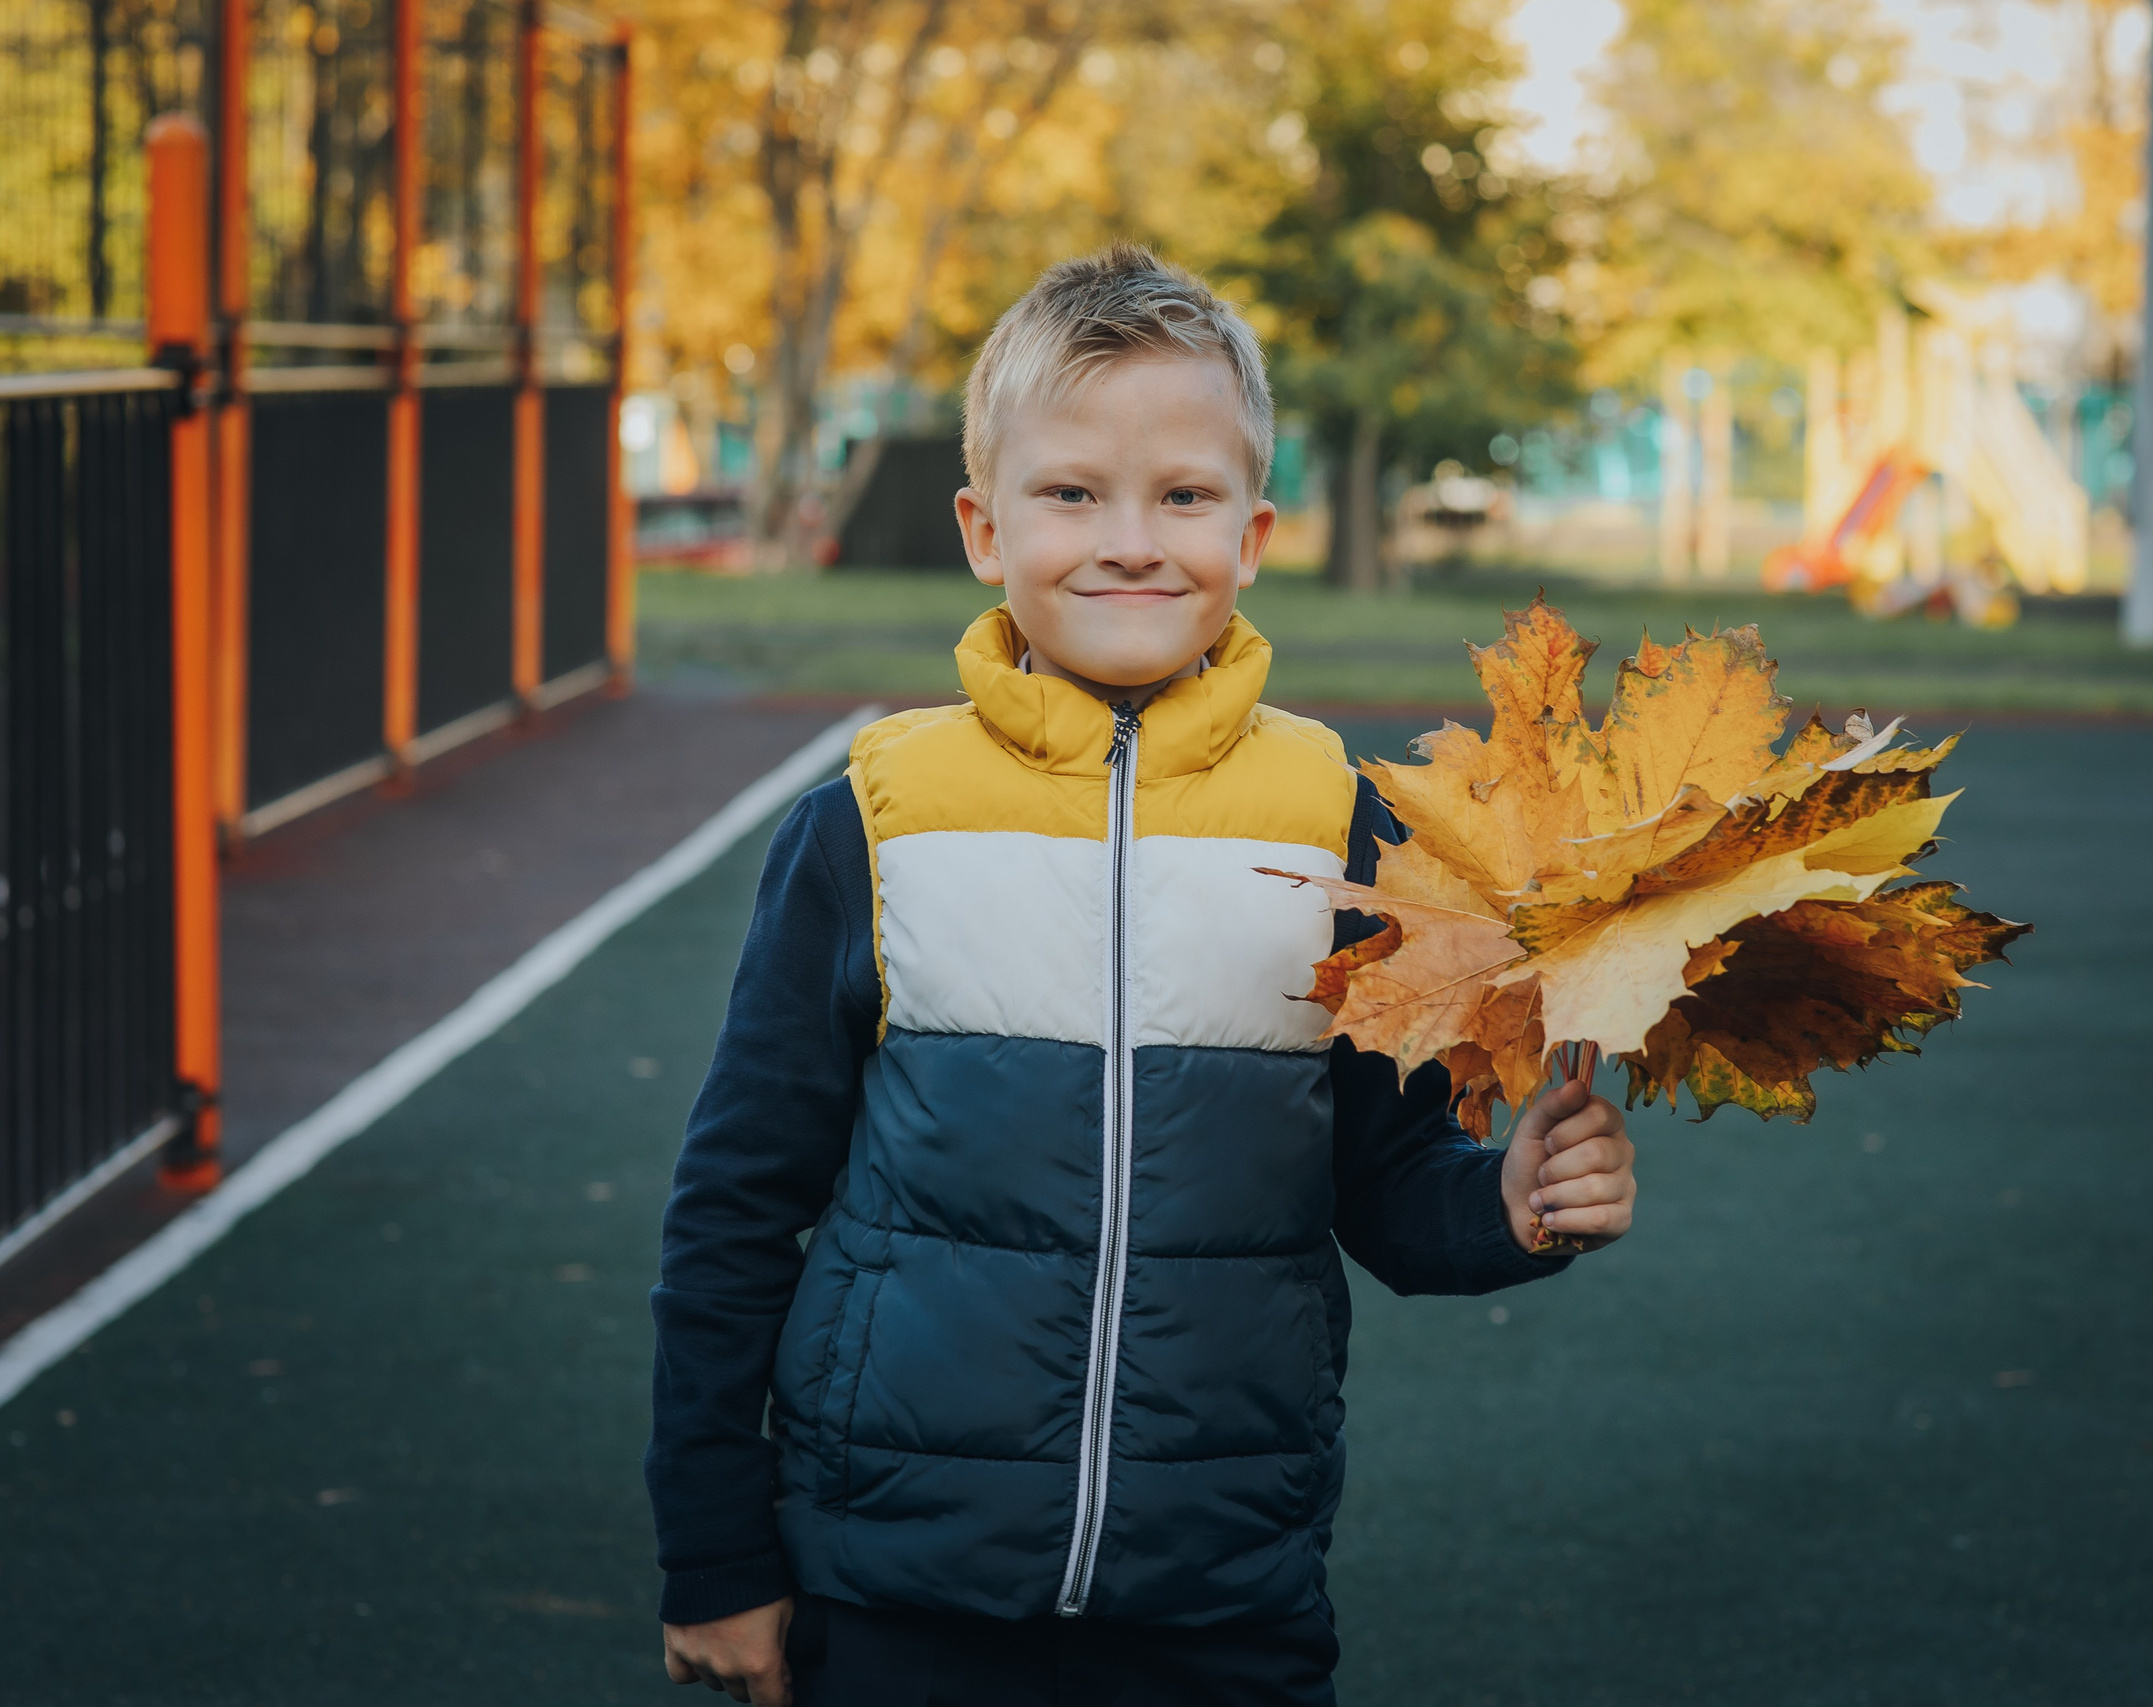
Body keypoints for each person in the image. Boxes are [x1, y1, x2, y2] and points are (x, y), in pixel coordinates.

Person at [647, 244, 1636, 1707]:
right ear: (985, 527)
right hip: (901, 1587)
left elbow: (1387, 1179)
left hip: (1219, 1592)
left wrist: (1512, 1202)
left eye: (1182, 495)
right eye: (1072, 494)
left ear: (1255, 530)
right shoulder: (874, 818)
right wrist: (717, 1557)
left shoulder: (1344, 826)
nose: (1130, 540)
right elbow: (736, 1210)